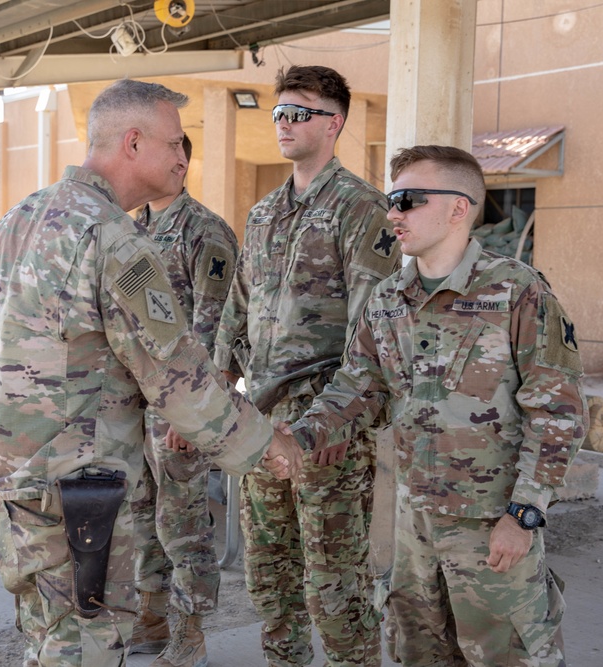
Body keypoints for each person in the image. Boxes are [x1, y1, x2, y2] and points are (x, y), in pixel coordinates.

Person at [0, 78, 303, 667]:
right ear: (133, 143)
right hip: (81, 488)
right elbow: (176, 377)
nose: (183, 157)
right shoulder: (114, 238)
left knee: (50, 636)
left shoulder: (21, 219)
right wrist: (265, 444)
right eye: (175, 142)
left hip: (15, 477)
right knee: (88, 645)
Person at [284, 145, 589, 667]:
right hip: (413, 529)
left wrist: (524, 513)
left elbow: (557, 412)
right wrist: (294, 440)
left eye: (407, 200)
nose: (392, 214)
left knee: (508, 655)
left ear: (458, 208)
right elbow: (355, 389)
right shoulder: (386, 299)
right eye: (391, 199)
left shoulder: (517, 292)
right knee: (416, 654)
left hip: (491, 527)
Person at [212, 65, 401, 667]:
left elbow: (373, 338)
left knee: (334, 586)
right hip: (263, 425)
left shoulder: (361, 209)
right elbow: (237, 307)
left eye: (301, 113)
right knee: (269, 577)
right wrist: (219, 385)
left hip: (326, 432)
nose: (286, 124)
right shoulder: (265, 213)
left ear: (335, 123)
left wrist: (332, 425)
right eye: (280, 113)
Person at [129, 134, 239, 667]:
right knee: (141, 515)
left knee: (183, 524)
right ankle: (149, 616)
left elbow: (217, 330)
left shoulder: (205, 232)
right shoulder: (132, 229)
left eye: (175, 154)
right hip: (135, 402)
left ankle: (190, 633)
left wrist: (189, 410)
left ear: (184, 162)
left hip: (178, 407)